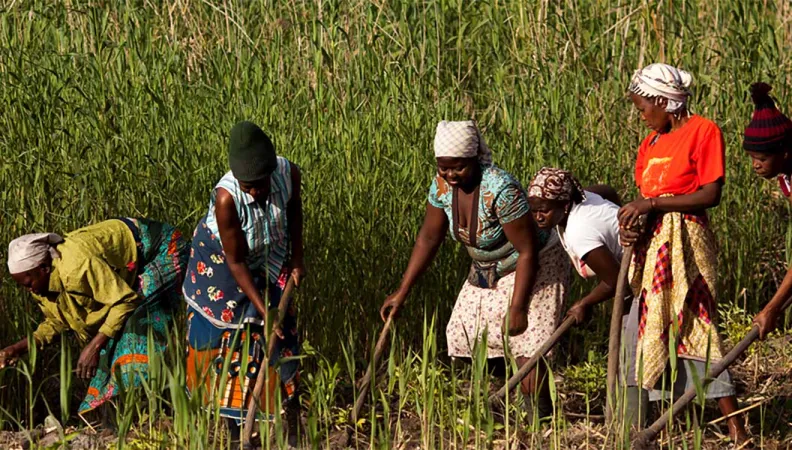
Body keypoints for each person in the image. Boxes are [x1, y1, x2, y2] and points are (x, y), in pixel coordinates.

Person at [379, 120, 570, 419]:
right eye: (444, 168)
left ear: (475, 160)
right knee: (465, 336)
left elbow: (528, 250)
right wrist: (402, 291)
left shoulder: (501, 189)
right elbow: (429, 237)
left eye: (459, 168)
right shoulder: (441, 186)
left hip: (535, 263)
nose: (451, 176)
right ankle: (516, 393)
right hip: (486, 267)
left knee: (527, 348)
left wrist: (518, 306)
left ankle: (540, 419)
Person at [619, 63, 748, 443]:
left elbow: (711, 194)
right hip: (654, 244)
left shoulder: (702, 131)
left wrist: (654, 205)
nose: (641, 115)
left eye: (644, 107)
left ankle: (735, 425)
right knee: (654, 327)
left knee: (697, 325)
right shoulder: (650, 144)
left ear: (664, 101)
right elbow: (646, 199)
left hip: (686, 244)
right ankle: (666, 423)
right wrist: (634, 224)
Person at [182, 121, 305, 443]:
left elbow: (295, 214)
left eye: (260, 184)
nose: (255, 191)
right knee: (235, 336)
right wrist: (263, 310)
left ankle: (286, 414)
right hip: (222, 264)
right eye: (248, 185)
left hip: (271, 253)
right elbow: (236, 261)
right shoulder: (227, 199)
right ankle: (236, 430)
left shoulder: (288, 173)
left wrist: (296, 258)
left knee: (280, 331)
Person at [0, 218, 188, 415]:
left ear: (44, 269)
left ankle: (150, 411)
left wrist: (94, 345)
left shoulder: (77, 268)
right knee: (109, 340)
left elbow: (125, 300)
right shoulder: (41, 284)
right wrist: (16, 349)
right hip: (125, 270)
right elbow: (56, 322)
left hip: (162, 250)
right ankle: (124, 416)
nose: (29, 290)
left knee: (134, 332)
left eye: (29, 284)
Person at [743, 82, 792, 339]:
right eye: (751, 158)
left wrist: (772, 308)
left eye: (761, 159)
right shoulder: (787, 176)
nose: (755, 166)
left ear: (783, 152)